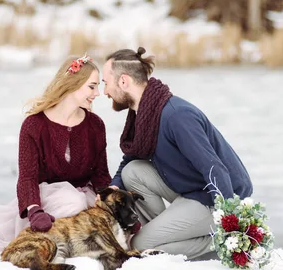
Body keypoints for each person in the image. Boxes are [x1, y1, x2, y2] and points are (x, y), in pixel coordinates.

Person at [101, 47, 253, 260]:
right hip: (190, 190)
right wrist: (114, 186)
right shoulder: (144, 113)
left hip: (214, 198)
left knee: (138, 245)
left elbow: (213, 167)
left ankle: (222, 241)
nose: (105, 91)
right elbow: (131, 159)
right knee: (133, 171)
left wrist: (229, 218)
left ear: (123, 81)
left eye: (105, 82)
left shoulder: (176, 116)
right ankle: (168, 232)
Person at [0, 54, 112, 252]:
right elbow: (27, 176)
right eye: (92, 86)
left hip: (85, 194)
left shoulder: (95, 125)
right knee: (73, 201)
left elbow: (101, 175)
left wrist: (114, 205)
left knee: (102, 216)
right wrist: (34, 210)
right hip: (46, 197)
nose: (98, 93)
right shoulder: (34, 125)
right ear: (74, 84)